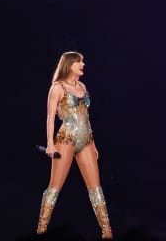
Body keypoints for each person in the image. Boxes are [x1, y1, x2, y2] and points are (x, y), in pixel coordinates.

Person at [37, 51, 113, 239]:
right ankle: (41, 229)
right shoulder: (57, 88)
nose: (83, 64)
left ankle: (107, 231)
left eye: (83, 61)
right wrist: (49, 145)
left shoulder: (82, 85)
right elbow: (49, 118)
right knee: (54, 187)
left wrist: (93, 143)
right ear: (69, 65)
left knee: (95, 188)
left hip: (85, 141)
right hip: (66, 140)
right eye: (79, 62)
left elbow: (86, 117)